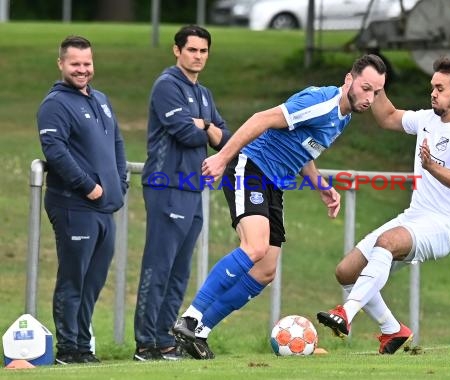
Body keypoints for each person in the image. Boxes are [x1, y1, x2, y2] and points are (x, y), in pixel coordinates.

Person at [169, 54, 388, 359]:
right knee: (255, 247)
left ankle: (200, 333)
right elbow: (261, 119)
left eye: (376, 93)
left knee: (265, 271)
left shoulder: (343, 116)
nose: (370, 98)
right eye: (366, 88)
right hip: (251, 167)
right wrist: (221, 158)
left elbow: (303, 149)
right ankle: (190, 317)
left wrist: (321, 187)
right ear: (349, 79)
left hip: (275, 183)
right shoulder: (322, 101)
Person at [316, 56, 450, 354]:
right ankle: (393, 331)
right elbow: (387, 117)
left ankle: (345, 314)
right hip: (414, 217)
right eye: (432, 86)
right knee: (346, 272)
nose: (432, 93)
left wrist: (432, 167)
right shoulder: (427, 119)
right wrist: (375, 84)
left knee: (388, 242)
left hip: (444, 225)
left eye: (440, 88)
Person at [133, 25, 231, 361]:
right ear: (177, 51)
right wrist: (206, 128)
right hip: (166, 186)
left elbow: (226, 139)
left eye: (203, 51)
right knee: (158, 267)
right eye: (192, 50)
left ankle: (165, 340)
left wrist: (203, 125)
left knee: (179, 270)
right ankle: (145, 344)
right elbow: (184, 133)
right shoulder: (166, 86)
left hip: (193, 189)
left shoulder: (203, 93)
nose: (198, 56)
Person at [36, 35, 128, 365]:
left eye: (87, 63)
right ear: (61, 63)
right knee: (73, 280)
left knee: (93, 281)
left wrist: (120, 181)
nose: (82, 69)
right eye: (75, 63)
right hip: (73, 205)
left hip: (104, 208)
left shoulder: (100, 99)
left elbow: (116, 142)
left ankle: (83, 346)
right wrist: (88, 186)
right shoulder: (54, 105)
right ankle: (67, 349)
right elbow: (55, 151)